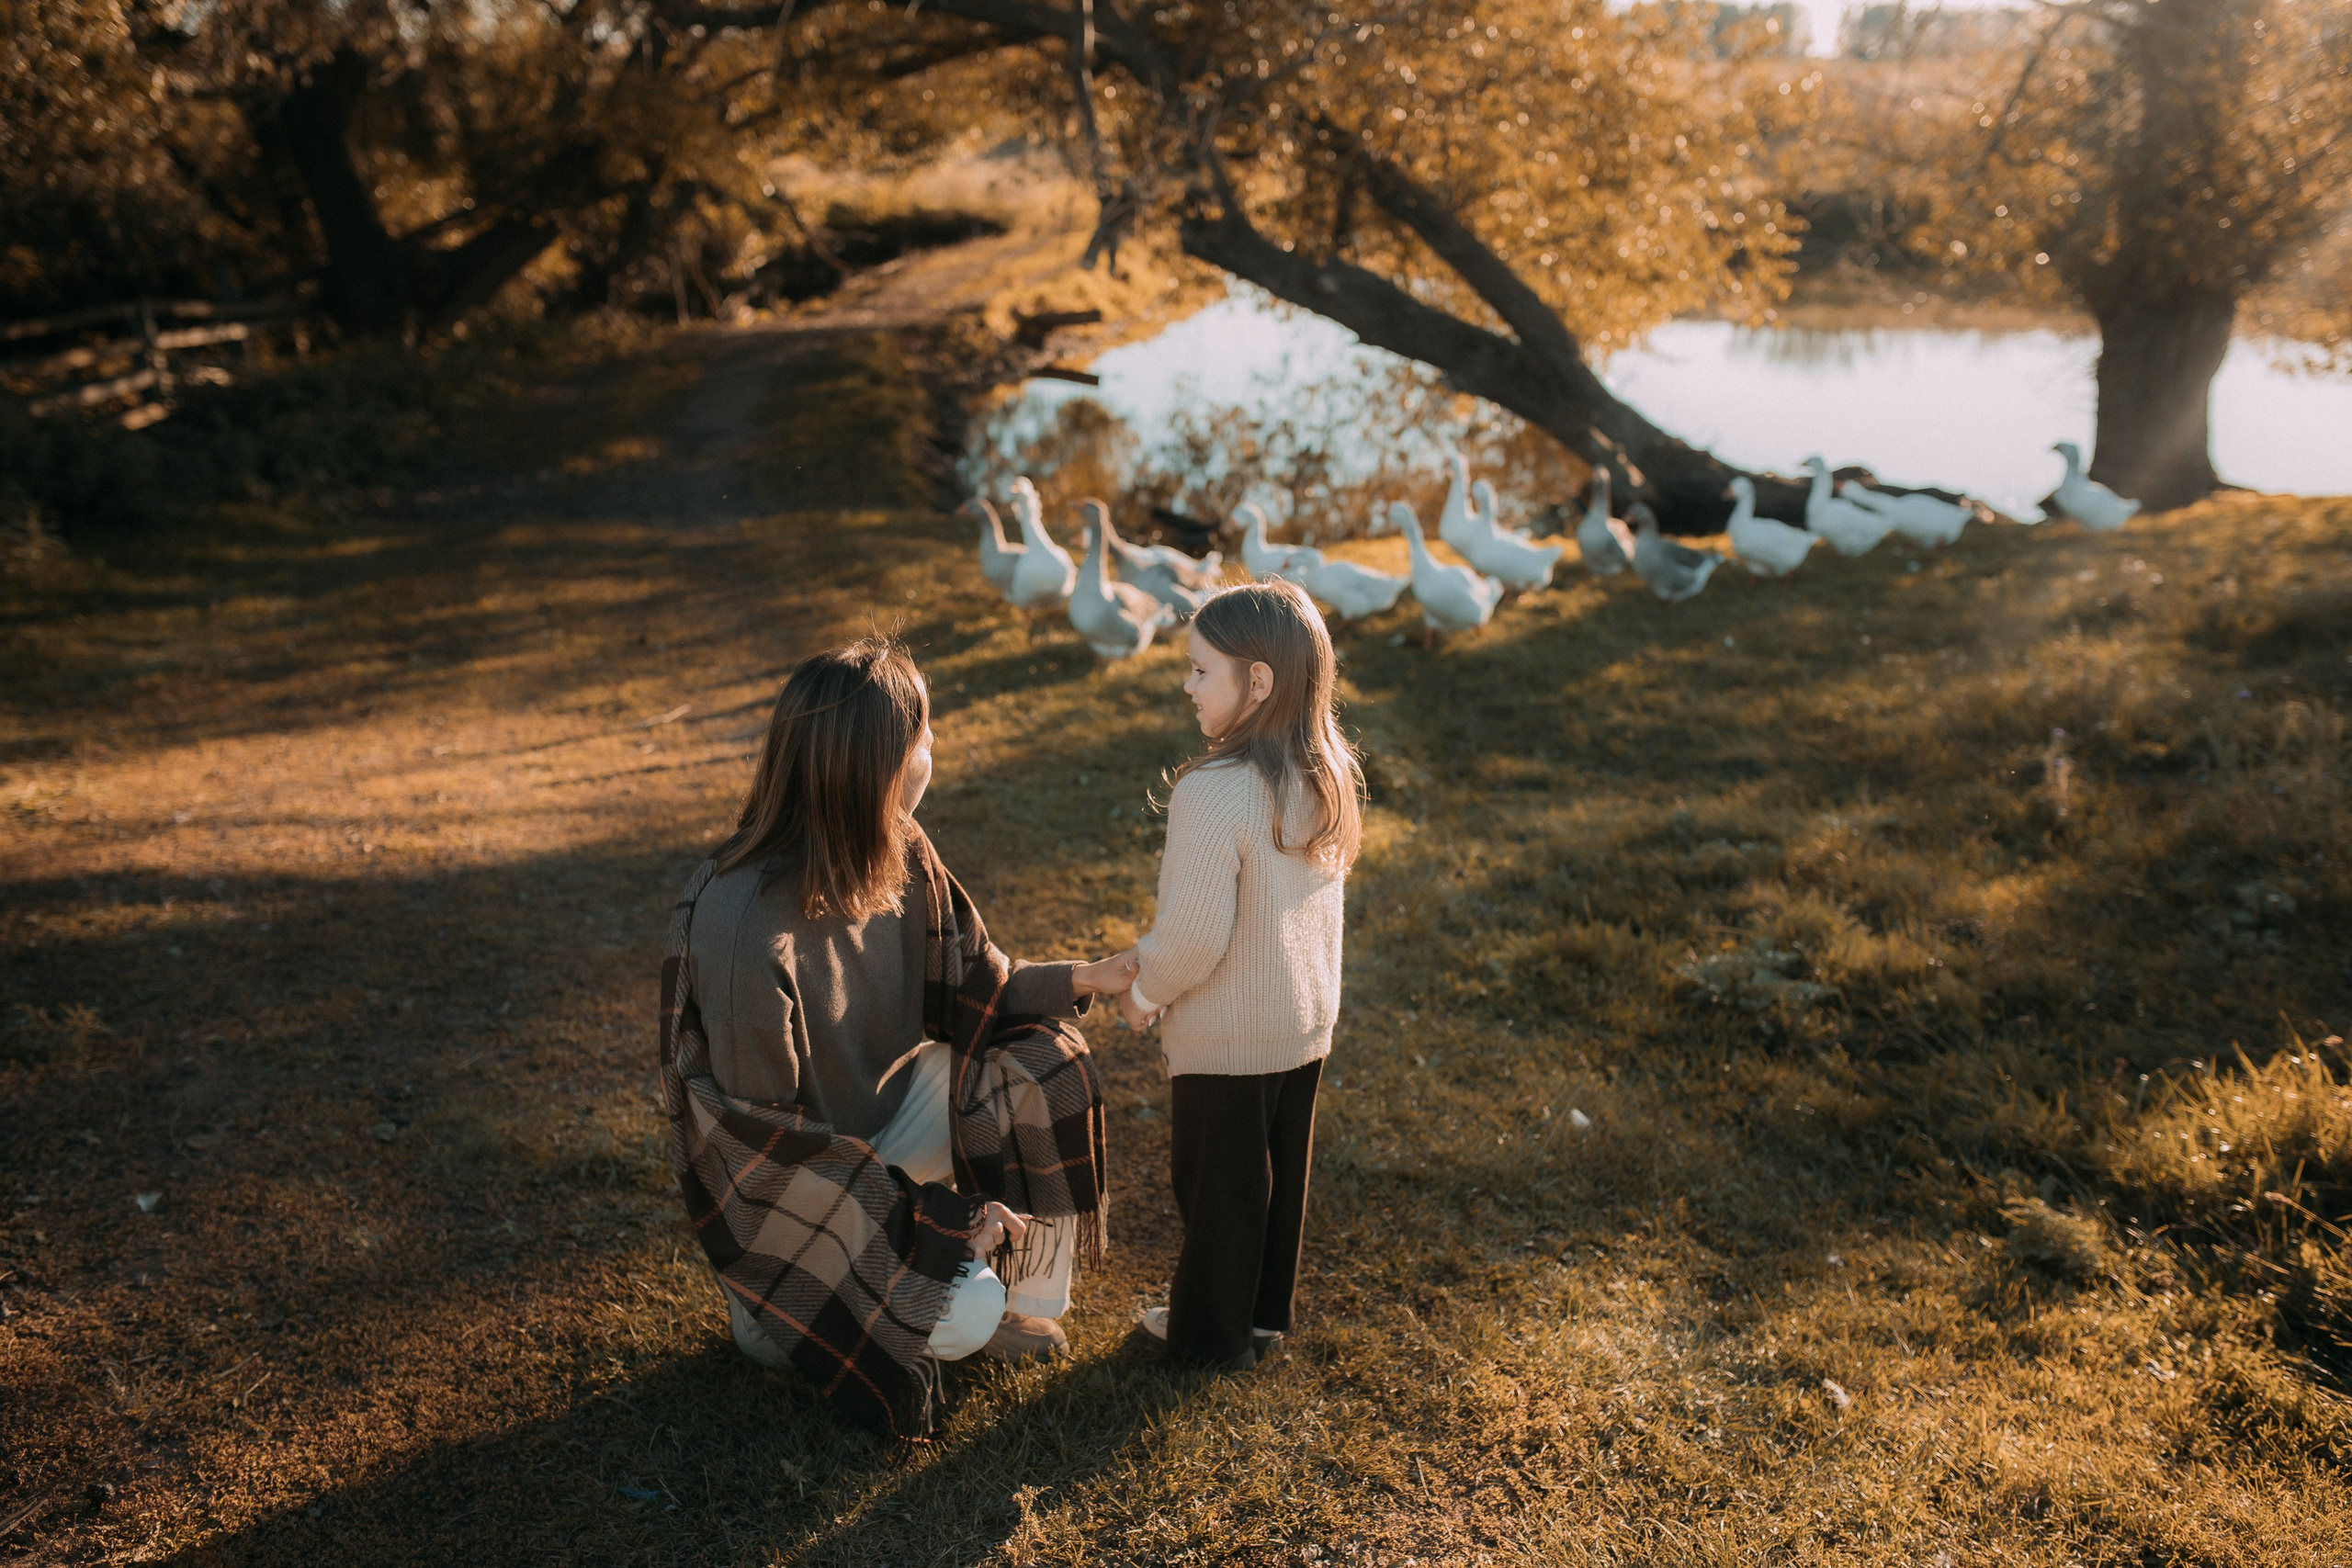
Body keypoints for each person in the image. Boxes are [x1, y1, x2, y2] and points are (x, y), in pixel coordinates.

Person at [656, 637, 1136, 1438]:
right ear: (877, 762)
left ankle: (1011, 1301)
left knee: (1042, 1060)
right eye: (924, 733)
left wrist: (1087, 977)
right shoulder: (743, 928)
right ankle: (855, 1317)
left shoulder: (900, 846)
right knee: (964, 1304)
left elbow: (981, 983)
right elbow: (770, 1162)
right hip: (794, 1228)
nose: (935, 747)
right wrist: (936, 1223)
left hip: (878, 1141)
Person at [1120, 580, 1363, 1369]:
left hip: (1228, 1033)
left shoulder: (1215, 791)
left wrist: (1147, 990)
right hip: (1302, 1023)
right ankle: (1261, 1318)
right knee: (1276, 1177)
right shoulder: (1321, 773)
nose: (1186, 685)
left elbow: (1193, 934)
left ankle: (1208, 1341)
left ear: (1257, 682)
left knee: (1220, 1189)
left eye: (1200, 670)